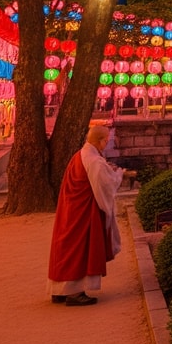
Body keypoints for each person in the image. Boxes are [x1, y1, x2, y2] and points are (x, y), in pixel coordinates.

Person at [47, 124, 124, 306]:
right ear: (101, 141)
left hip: (71, 208)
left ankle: (59, 289)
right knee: (80, 248)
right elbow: (105, 185)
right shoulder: (94, 161)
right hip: (84, 210)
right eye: (106, 140)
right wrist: (119, 174)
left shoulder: (81, 155)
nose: (107, 143)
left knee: (66, 247)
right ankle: (74, 292)